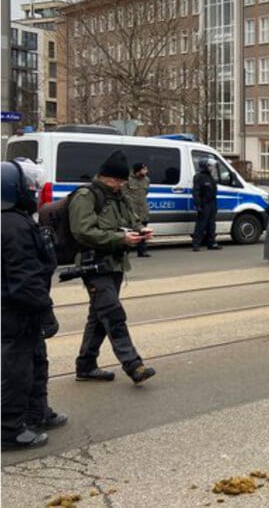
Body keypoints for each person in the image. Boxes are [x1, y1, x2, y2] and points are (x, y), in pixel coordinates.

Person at [70, 150, 156, 384]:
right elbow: (82, 231)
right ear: (103, 176)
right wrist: (120, 238)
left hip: (115, 264)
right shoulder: (86, 196)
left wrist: (141, 231)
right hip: (93, 265)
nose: (119, 185)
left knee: (99, 317)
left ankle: (86, 365)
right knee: (113, 314)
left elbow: (132, 220)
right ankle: (134, 365)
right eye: (115, 181)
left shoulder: (120, 196)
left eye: (122, 181)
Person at [2, 159, 66, 450]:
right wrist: (45, 311)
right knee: (17, 368)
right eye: (29, 187)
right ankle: (9, 429)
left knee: (36, 360)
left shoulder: (14, 220)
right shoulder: (14, 226)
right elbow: (25, 278)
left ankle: (36, 413)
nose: (34, 192)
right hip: (16, 310)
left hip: (18, 308)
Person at [192, 157, 220, 251]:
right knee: (201, 224)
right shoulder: (198, 177)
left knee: (211, 225)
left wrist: (215, 206)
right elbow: (196, 192)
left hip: (212, 203)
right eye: (209, 166)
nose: (211, 168)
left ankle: (212, 243)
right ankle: (196, 244)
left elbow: (213, 191)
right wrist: (198, 205)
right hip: (204, 203)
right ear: (204, 166)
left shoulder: (210, 176)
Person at [125, 163, 151, 257]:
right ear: (138, 170)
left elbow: (145, 193)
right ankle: (125, 251)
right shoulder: (127, 180)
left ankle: (142, 251)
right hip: (132, 209)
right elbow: (123, 194)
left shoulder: (146, 180)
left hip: (143, 209)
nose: (146, 171)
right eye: (144, 169)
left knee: (143, 229)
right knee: (129, 230)